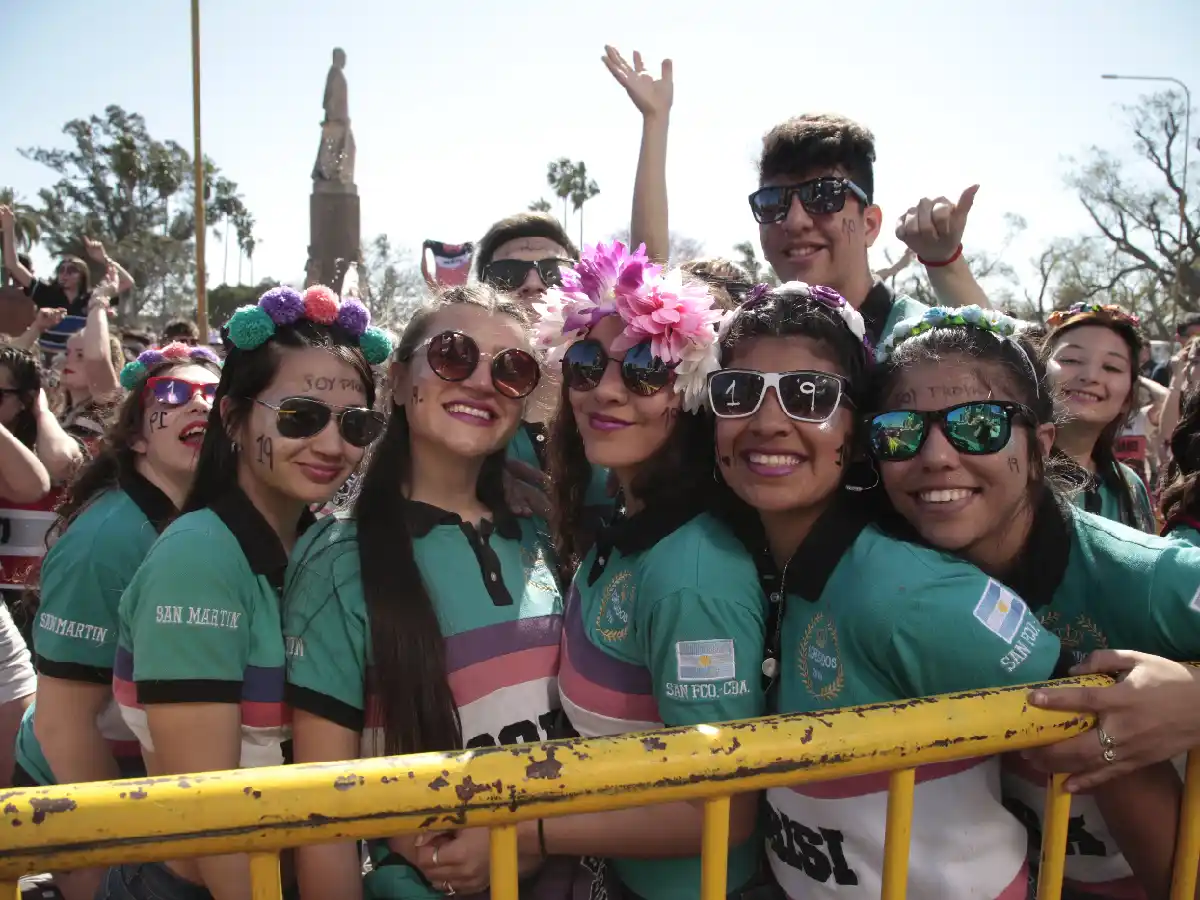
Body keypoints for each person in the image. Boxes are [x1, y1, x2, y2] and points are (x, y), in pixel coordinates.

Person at [710, 285, 1057, 899]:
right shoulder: (740, 557)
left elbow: (1097, 728)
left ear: (860, 428)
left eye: (809, 395)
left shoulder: (911, 595)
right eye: (737, 393)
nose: (766, 423)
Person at [868, 305, 1200, 899]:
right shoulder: (885, 572)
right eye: (900, 429)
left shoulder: (1145, 577)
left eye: (978, 425)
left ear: (1043, 443)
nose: (936, 456)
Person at [489, 241, 766, 900]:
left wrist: (528, 833)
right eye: (586, 363)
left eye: (646, 367)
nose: (605, 390)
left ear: (691, 391)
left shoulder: (693, 575)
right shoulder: (624, 525)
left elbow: (720, 812)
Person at [286, 284, 581, 899]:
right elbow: (323, 815)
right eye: (453, 355)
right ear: (397, 380)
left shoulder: (541, 535)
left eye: (511, 369)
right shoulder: (336, 560)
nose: (480, 382)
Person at [100, 285, 392, 900]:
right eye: (299, 417)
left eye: (356, 423)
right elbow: (212, 816)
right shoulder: (199, 560)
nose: (334, 445)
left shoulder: (319, 543)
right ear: (232, 419)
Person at [13, 342, 220, 900]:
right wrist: (107, 862)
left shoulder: (220, 519)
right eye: (173, 394)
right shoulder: (105, 542)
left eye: (214, 396)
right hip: (81, 782)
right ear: (135, 436)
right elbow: (64, 725)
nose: (198, 405)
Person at [600, 46, 985, 345]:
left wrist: (945, 263)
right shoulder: (750, 342)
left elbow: (1012, 372)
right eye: (773, 202)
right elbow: (649, 294)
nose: (795, 220)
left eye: (824, 196)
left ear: (870, 224)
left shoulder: (916, 341)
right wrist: (655, 123)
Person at [1041, 302, 1156, 531]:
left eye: (1112, 367)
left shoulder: (1130, 487)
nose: (1091, 376)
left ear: (1127, 398)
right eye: (1071, 360)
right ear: (1039, 371)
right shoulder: (1011, 472)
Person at [0, 206, 134, 353]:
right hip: (47, 369)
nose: (64, 274)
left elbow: (127, 282)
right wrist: (8, 228)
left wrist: (104, 259)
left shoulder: (92, 298)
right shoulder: (46, 293)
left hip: (80, 368)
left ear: (82, 275)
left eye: (71, 270)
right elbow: (13, 264)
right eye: (61, 270)